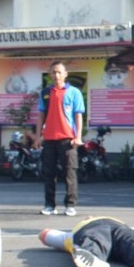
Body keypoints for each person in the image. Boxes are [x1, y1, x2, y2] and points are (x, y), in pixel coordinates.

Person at [37, 60, 85, 217]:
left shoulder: (74, 92)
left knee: (69, 173)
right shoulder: (45, 92)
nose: (56, 75)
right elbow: (41, 116)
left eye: (59, 72)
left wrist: (78, 136)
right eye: (53, 72)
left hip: (67, 140)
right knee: (48, 173)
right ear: (50, 75)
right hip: (49, 139)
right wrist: (38, 136)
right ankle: (49, 205)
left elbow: (78, 115)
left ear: (65, 74)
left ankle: (70, 205)